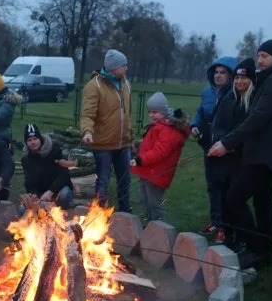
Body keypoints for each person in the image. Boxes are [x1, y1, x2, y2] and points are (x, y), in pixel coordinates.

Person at [210, 40, 272, 267]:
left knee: (234, 199)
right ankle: (264, 254)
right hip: (266, 154)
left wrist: (226, 143)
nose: (260, 60)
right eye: (259, 55)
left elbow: (258, 117)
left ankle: (254, 247)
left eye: (265, 56)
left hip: (263, 154)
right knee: (262, 205)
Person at [205, 58, 254, 244]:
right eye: (237, 78)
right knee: (221, 195)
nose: (239, 82)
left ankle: (244, 238)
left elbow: (247, 129)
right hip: (220, 157)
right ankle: (227, 235)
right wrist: (219, 141)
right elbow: (218, 123)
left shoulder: (252, 101)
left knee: (235, 199)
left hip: (239, 158)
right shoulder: (229, 98)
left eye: (244, 78)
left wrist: (230, 144)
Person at [80, 49, 134, 212]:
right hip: (102, 145)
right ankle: (99, 215)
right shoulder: (94, 86)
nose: (126, 69)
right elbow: (87, 114)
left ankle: (126, 214)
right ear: (113, 67)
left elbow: (127, 114)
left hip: (123, 144)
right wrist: (87, 132)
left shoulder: (126, 83)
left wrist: (130, 138)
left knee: (125, 181)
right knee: (102, 181)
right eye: (123, 66)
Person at [191, 56, 238, 238]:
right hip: (207, 145)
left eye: (223, 72)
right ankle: (215, 221)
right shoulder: (207, 92)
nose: (218, 76)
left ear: (231, 75)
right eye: (216, 72)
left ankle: (225, 226)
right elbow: (200, 112)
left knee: (224, 186)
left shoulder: (234, 94)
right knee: (211, 185)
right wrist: (194, 125)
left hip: (226, 148)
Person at [129, 93, 190, 222]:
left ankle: (160, 227)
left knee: (154, 202)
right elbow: (151, 144)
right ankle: (149, 223)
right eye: (150, 112)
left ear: (163, 112)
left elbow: (160, 152)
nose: (151, 115)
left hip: (158, 173)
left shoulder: (169, 130)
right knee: (144, 198)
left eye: (155, 112)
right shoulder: (159, 126)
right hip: (148, 170)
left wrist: (140, 159)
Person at [20, 123, 74, 213]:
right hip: (40, 195)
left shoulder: (55, 152)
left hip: (57, 190)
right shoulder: (26, 159)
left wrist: (51, 191)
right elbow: (28, 182)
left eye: (35, 139)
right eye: (29, 140)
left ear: (40, 139)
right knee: (22, 209)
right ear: (26, 143)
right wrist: (34, 196)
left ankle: (61, 214)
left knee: (65, 194)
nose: (33, 142)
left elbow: (64, 175)